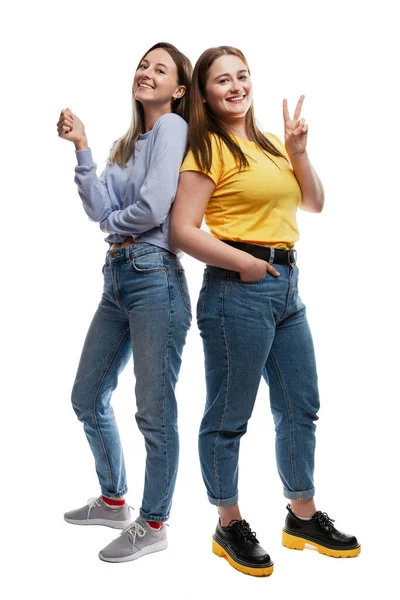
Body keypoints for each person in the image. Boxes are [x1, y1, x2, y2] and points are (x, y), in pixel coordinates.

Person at [170, 46, 360, 577]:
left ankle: (302, 514)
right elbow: (182, 230)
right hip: (238, 290)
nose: (236, 87)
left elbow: (314, 203)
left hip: (288, 288)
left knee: (301, 406)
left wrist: (299, 151)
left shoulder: (272, 144)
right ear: (205, 93)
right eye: (222, 80)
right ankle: (228, 523)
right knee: (230, 417)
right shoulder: (206, 148)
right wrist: (246, 265)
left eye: (242, 76)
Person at [57, 42, 192, 563]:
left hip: (154, 276)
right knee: (87, 395)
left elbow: (155, 206)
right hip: (117, 277)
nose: (146, 73)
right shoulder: (127, 144)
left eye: (161, 69)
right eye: (142, 65)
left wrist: (116, 224)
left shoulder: (172, 129)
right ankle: (114, 500)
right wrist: (83, 146)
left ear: (179, 90)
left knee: (154, 412)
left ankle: (154, 522)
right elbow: (98, 206)